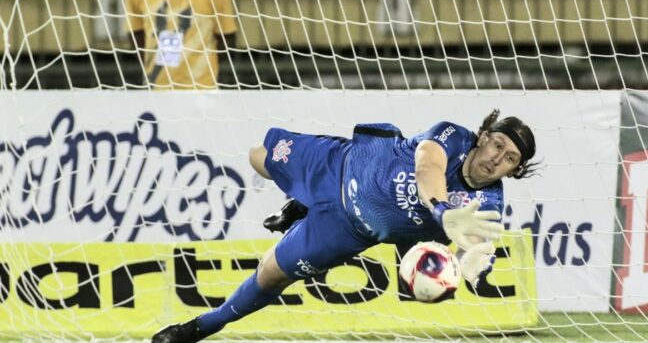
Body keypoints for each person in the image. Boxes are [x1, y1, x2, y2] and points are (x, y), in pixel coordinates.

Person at [152, 109, 538, 342]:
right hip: (338, 164)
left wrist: (465, 265)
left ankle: (198, 329)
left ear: (515, 170)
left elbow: (472, 246)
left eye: (509, 158)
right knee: (259, 157)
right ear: (484, 137)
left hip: (349, 230)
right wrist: (441, 209)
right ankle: (302, 202)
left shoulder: (488, 204)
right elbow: (427, 168)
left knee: (271, 274)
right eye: (497, 144)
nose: (496, 158)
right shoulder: (453, 136)